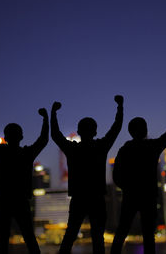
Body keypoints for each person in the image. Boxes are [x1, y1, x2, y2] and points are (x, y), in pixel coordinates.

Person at [51, 96, 123, 254]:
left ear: (78, 132)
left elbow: (55, 134)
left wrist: (53, 113)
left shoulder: (73, 149)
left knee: (70, 236)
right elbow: (116, 128)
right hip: (97, 197)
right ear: (95, 131)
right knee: (98, 239)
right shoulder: (101, 146)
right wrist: (120, 106)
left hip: (78, 197)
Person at [0, 101, 48, 254]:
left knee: (2, 240)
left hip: (3, 200)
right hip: (21, 200)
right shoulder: (26, 154)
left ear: (5, 137)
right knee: (30, 238)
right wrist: (45, 118)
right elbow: (43, 139)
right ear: (21, 136)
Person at [111, 101, 166, 254]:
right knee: (149, 235)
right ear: (145, 130)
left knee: (122, 231)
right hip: (148, 196)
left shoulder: (125, 149)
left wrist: (127, 187)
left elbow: (116, 175)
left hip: (130, 196)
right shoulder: (152, 147)